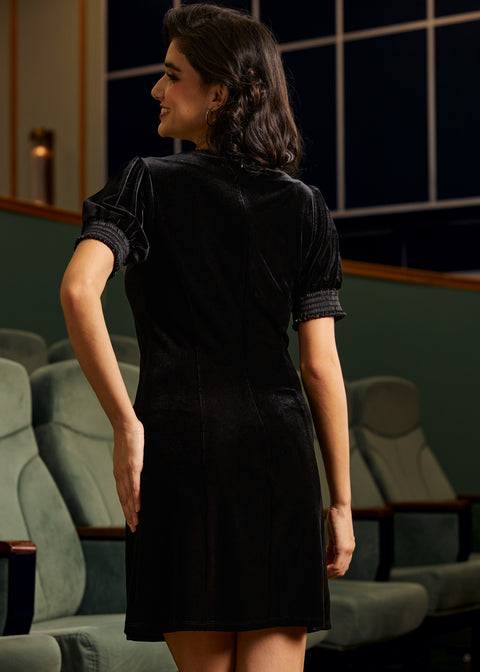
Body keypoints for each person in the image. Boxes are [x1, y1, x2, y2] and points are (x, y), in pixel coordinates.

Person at [60, 4, 355, 671]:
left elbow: (79, 291)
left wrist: (125, 425)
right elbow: (320, 368)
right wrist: (340, 503)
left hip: (182, 450)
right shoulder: (306, 206)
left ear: (219, 93)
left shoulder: (145, 182)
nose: (156, 90)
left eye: (172, 75)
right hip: (279, 460)